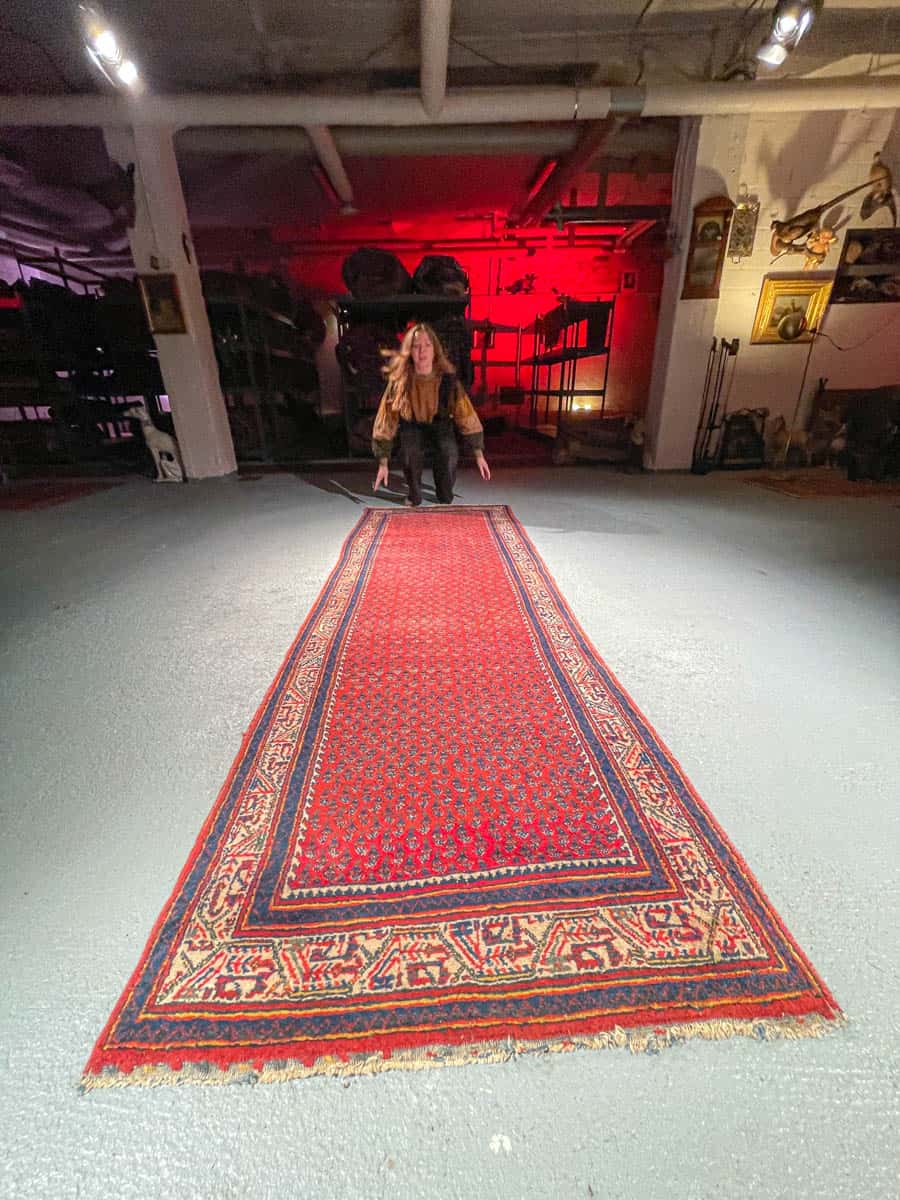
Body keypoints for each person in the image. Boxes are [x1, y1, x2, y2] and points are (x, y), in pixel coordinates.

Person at [372, 323, 491, 505]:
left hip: (441, 424)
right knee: (409, 454)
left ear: (435, 350)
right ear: (409, 351)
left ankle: (444, 490)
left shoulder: (448, 380)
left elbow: (466, 414)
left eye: (427, 345)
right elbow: (386, 419)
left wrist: (478, 453)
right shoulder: (400, 382)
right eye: (416, 346)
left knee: (448, 455)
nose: (422, 351)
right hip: (412, 426)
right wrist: (383, 463)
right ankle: (414, 493)